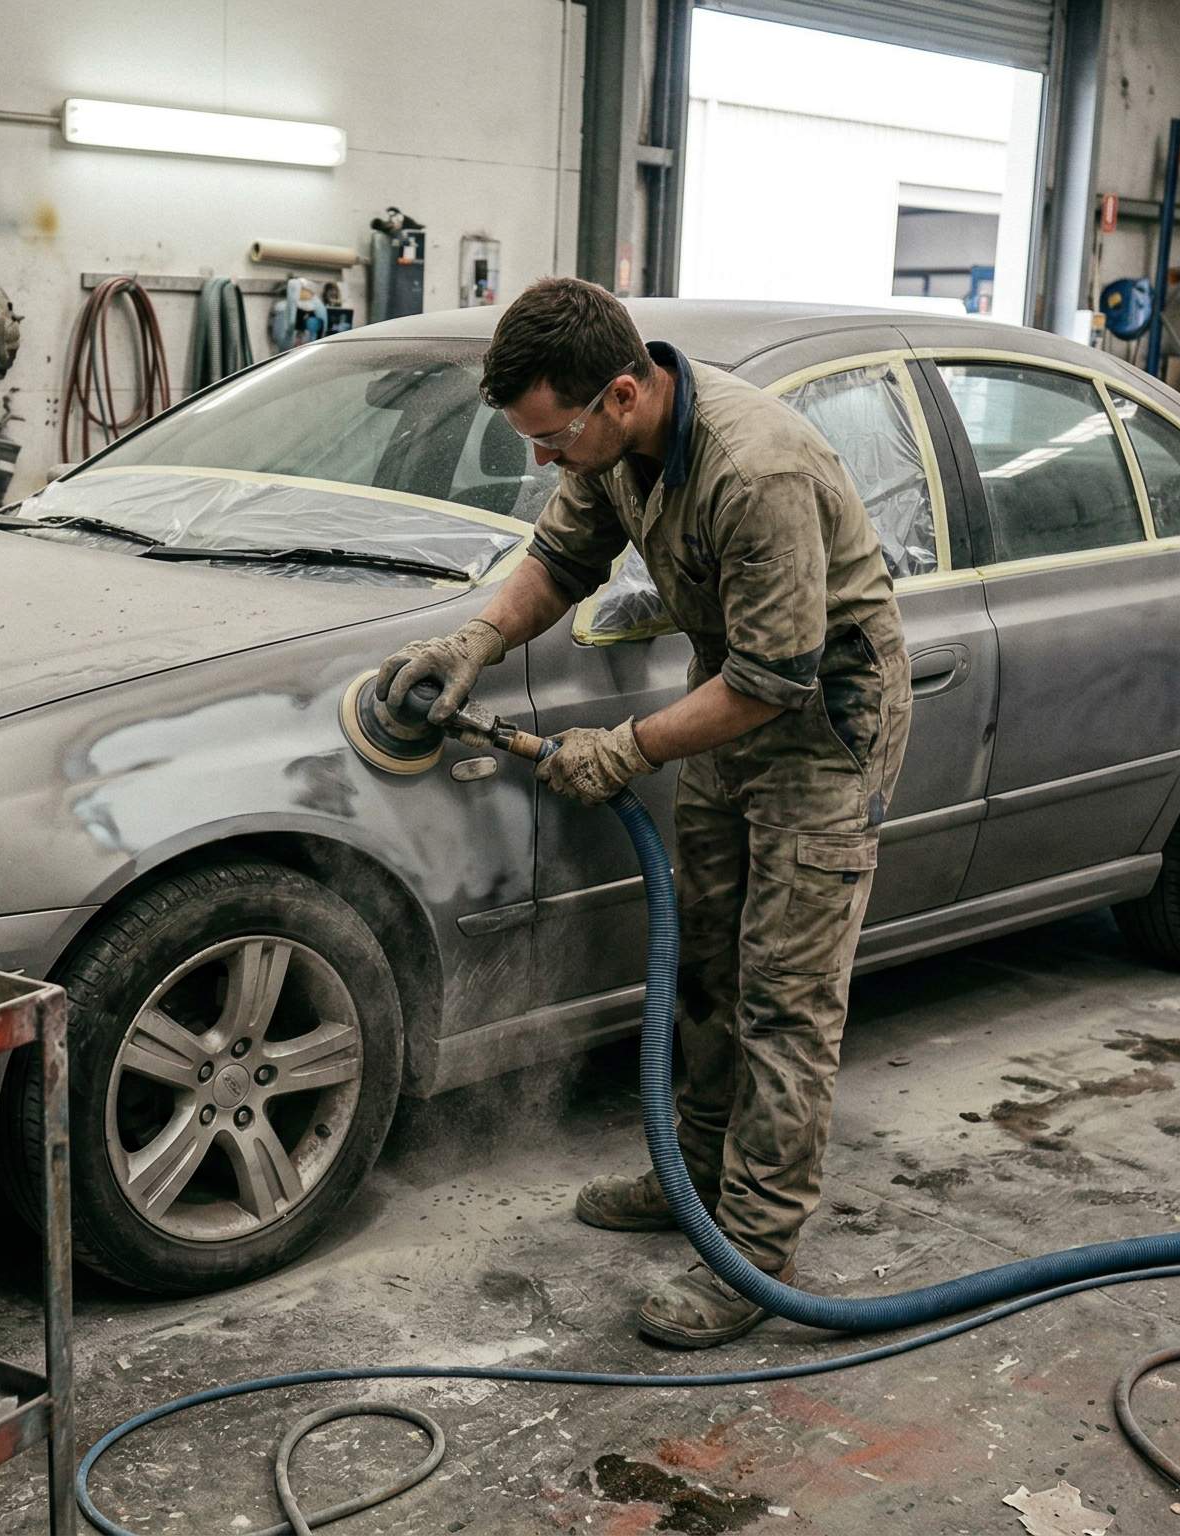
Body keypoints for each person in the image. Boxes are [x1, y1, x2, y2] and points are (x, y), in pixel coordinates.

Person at [375, 278, 910, 1349]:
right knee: (707, 960)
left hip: (820, 723)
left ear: (623, 392)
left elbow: (774, 675)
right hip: (730, 704)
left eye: (549, 436)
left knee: (784, 1000)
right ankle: (694, 1181)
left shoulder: (754, 471)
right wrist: (470, 645)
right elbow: (561, 561)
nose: (540, 459)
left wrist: (622, 747)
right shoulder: (614, 447)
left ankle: (752, 1254)